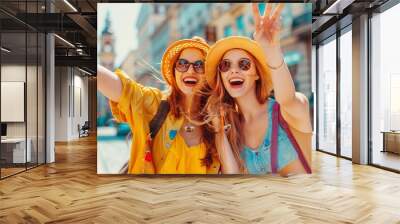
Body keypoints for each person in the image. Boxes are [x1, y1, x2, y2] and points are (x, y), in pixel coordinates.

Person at [204, 3, 312, 175]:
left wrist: (272, 50)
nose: (234, 70)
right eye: (226, 65)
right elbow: (233, 181)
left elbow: (288, 99)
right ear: (221, 76)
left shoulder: (289, 111)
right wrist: (219, 131)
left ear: (257, 73)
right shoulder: (229, 129)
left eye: (244, 64)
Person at [98, 37, 220, 174]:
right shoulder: (155, 103)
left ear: (208, 74)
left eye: (199, 65)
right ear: (174, 71)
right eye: (182, 63)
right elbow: (123, 89)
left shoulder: (217, 119)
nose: (190, 70)